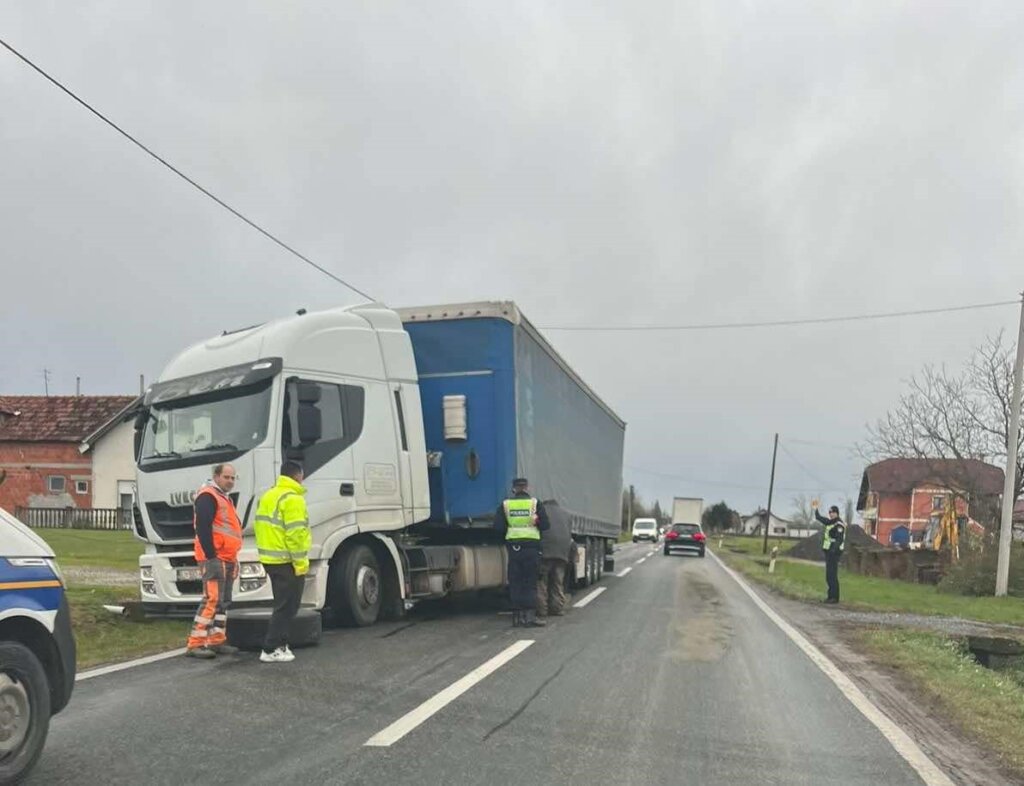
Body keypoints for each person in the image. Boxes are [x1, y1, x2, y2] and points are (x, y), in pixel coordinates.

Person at [254, 461, 312, 663]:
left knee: (283, 604)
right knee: (287, 606)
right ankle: (270, 648)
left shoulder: (268, 495)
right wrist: (300, 562)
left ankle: (281, 645)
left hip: (270, 558)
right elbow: (295, 534)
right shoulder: (293, 499)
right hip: (286, 559)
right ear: (298, 476)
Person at [185, 464, 242, 659]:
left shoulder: (223, 498)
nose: (230, 481)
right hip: (214, 557)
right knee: (212, 599)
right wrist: (211, 556)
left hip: (227, 556)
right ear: (216, 476)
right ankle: (196, 643)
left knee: (223, 601)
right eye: (227, 477)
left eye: (233, 478)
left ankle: (217, 640)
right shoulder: (208, 496)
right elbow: (203, 527)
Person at [494, 477, 549, 628]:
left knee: (516, 582)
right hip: (531, 549)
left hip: (514, 549)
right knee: (530, 582)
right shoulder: (535, 504)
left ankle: (517, 618)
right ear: (527, 488)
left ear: (513, 489)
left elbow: (498, 527)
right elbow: (545, 525)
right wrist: (535, 522)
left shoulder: (506, 505)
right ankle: (530, 617)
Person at [537, 499, 572, 618]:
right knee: (557, 582)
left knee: (541, 583)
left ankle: (541, 610)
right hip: (562, 554)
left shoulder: (540, 512)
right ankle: (557, 608)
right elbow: (569, 534)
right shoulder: (566, 514)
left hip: (545, 553)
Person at [813, 501, 846, 604]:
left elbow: (839, 539)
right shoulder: (830, 522)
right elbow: (820, 518)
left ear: (837, 513)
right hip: (829, 552)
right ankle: (830, 596)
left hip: (834, 552)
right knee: (829, 575)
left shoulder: (839, 524)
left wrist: (833, 550)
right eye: (829, 512)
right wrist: (816, 509)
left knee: (832, 575)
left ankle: (834, 598)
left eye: (832, 512)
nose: (830, 514)